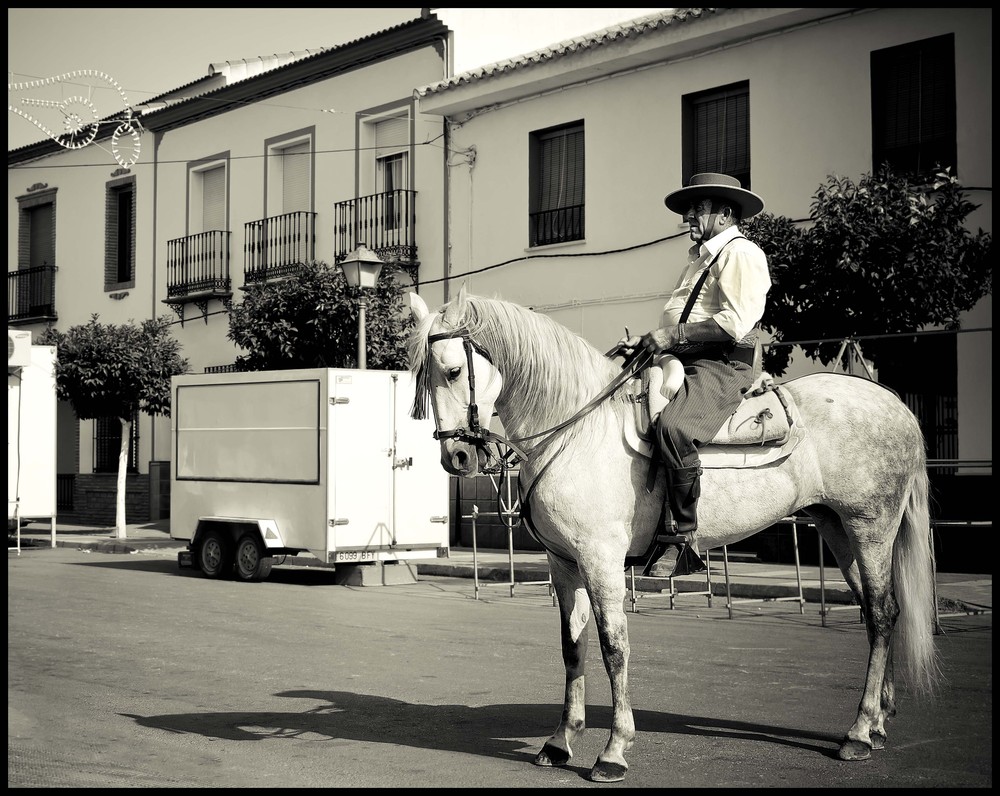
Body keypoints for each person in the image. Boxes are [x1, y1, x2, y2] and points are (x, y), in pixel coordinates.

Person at [626, 172, 770, 577]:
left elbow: (734, 325)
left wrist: (672, 335)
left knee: (674, 428)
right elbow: (686, 317)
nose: (688, 215)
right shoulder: (701, 257)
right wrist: (649, 341)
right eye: (689, 209)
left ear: (724, 215)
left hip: (723, 363)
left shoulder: (740, 253)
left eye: (698, 208)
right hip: (684, 357)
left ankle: (683, 538)